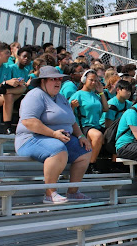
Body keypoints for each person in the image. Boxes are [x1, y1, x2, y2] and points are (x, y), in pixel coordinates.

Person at [15, 66, 92, 203]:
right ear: (43, 81)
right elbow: (29, 122)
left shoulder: (61, 97)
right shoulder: (34, 95)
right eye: (53, 79)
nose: (58, 82)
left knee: (85, 150)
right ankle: (50, 193)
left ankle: (73, 192)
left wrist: (81, 136)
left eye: (59, 79)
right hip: (30, 139)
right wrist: (53, 134)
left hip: (58, 137)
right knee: (57, 149)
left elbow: (72, 121)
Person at [70, 69, 109, 174]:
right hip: (84, 126)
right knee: (97, 136)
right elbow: (68, 111)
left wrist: (101, 92)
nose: (93, 83)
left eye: (95, 81)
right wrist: (72, 106)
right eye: (91, 80)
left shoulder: (96, 95)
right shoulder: (78, 94)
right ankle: (91, 164)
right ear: (84, 80)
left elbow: (105, 108)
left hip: (95, 125)